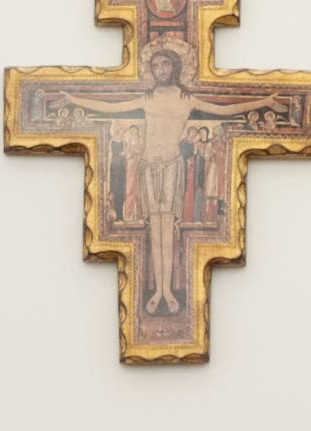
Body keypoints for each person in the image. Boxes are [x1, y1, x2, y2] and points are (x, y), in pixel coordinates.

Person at [57, 45, 286, 315]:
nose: (160, 70)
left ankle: (166, 289)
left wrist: (263, 102)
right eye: (155, 66)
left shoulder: (186, 99)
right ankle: (159, 290)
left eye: (165, 64)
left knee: (169, 229)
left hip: (172, 166)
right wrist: (74, 99)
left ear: (174, 67)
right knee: (155, 228)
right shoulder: (147, 98)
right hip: (147, 166)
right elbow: (110, 106)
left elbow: (225, 110)